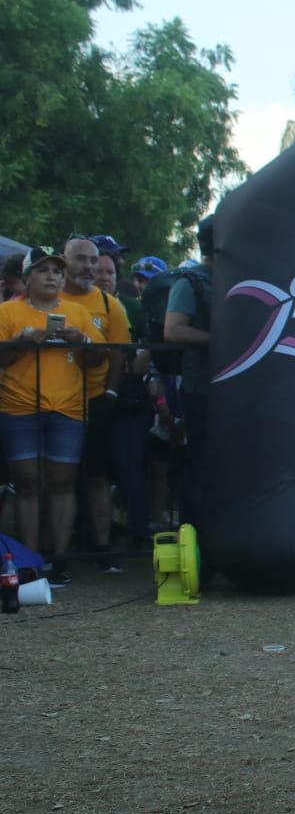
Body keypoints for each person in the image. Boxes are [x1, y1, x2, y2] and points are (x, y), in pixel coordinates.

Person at [0, 246, 104, 586]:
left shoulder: (76, 313)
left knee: (62, 483)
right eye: (43, 271)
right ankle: (29, 562)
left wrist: (83, 341)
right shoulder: (7, 312)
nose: (51, 277)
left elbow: (99, 359)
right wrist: (18, 343)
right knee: (27, 483)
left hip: (68, 409)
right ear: (27, 278)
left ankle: (60, 561)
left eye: (57, 271)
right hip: (19, 407)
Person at [62, 235, 130, 572]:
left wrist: (111, 394)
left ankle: (102, 550)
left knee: (98, 477)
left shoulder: (109, 304)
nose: (88, 267)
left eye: (93, 261)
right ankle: (54, 553)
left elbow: (119, 353)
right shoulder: (45, 298)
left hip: (95, 400)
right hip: (52, 402)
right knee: (55, 480)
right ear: (65, 261)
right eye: (81, 259)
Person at [94, 247, 153, 548]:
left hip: (127, 399)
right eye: (98, 269)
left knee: (129, 468)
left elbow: (147, 345)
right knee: (96, 474)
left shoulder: (130, 305)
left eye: (109, 271)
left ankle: (139, 536)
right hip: (84, 400)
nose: (104, 277)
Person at [163, 219, 216, 532]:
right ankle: (193, 536)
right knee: (198, 465)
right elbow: (173, 329)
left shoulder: (234, 276)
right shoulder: (190, 281)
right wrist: (218, 340)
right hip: (200, 389)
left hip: (230, 388)